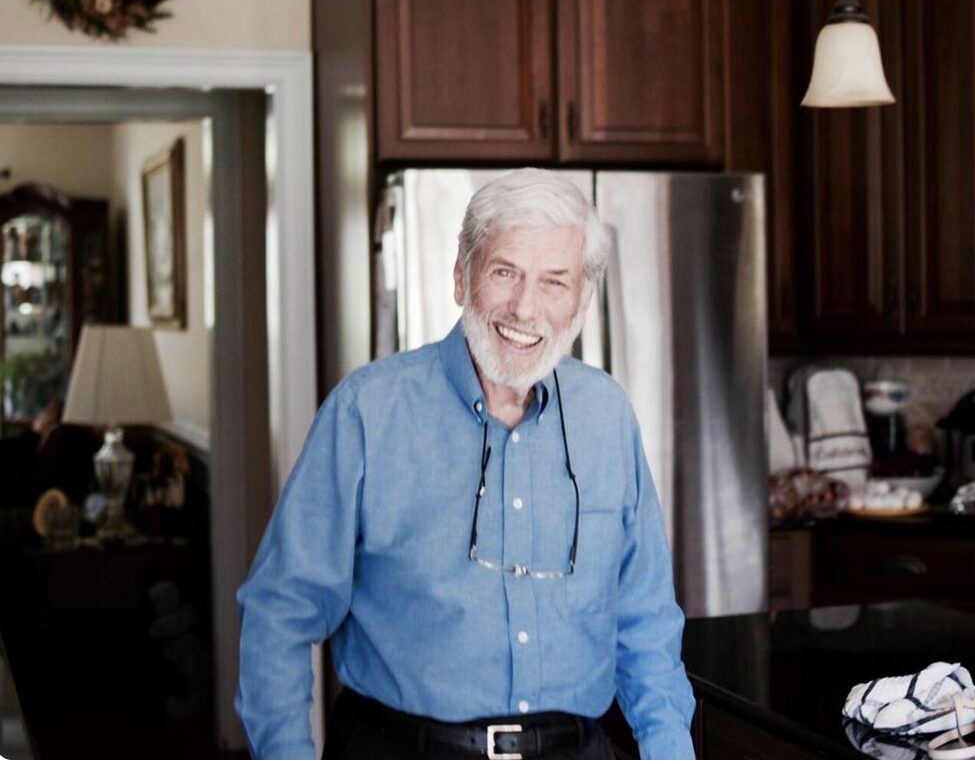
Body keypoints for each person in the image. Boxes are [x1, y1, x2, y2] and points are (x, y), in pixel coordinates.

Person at [236, 168, 696, 759]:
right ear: (461, 275)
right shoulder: (367, 412)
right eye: (505, 272)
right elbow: (281, 612)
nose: (525, 308)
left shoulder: (607, 415)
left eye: (554, 282)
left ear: (582, 301)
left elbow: (646, 622)